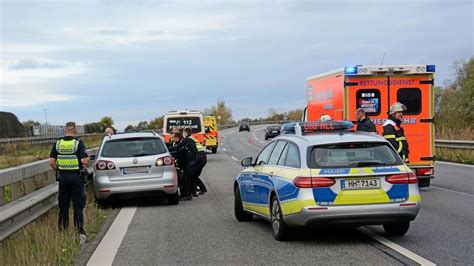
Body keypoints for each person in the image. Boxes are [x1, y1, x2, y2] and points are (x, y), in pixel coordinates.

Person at [49, 122, 89, 244]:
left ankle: (63, 231)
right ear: (75, 131)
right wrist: (85, 161)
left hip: (63, 178)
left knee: (63, 205)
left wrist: (59, 169)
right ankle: (80, 233)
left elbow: (51, 162)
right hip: (76, 178)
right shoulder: (78, 143)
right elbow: (84, 161)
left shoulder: (58, 143)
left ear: (65, 130)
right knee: (78, 206)